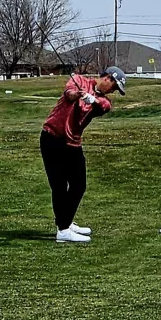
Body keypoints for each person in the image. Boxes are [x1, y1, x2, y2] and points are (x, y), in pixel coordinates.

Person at [40, 66, 126, 243]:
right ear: (108, 78)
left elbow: (104, 107)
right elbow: (68, 94)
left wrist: (91, 99)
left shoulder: (104, 101)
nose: (113, 91)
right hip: (52, 138)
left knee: (79, 185)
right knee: (59, 185)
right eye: (114, 86)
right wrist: (80, 94)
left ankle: (66, 221)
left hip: (73, 143)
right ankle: (63, 230)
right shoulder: (79, 80)